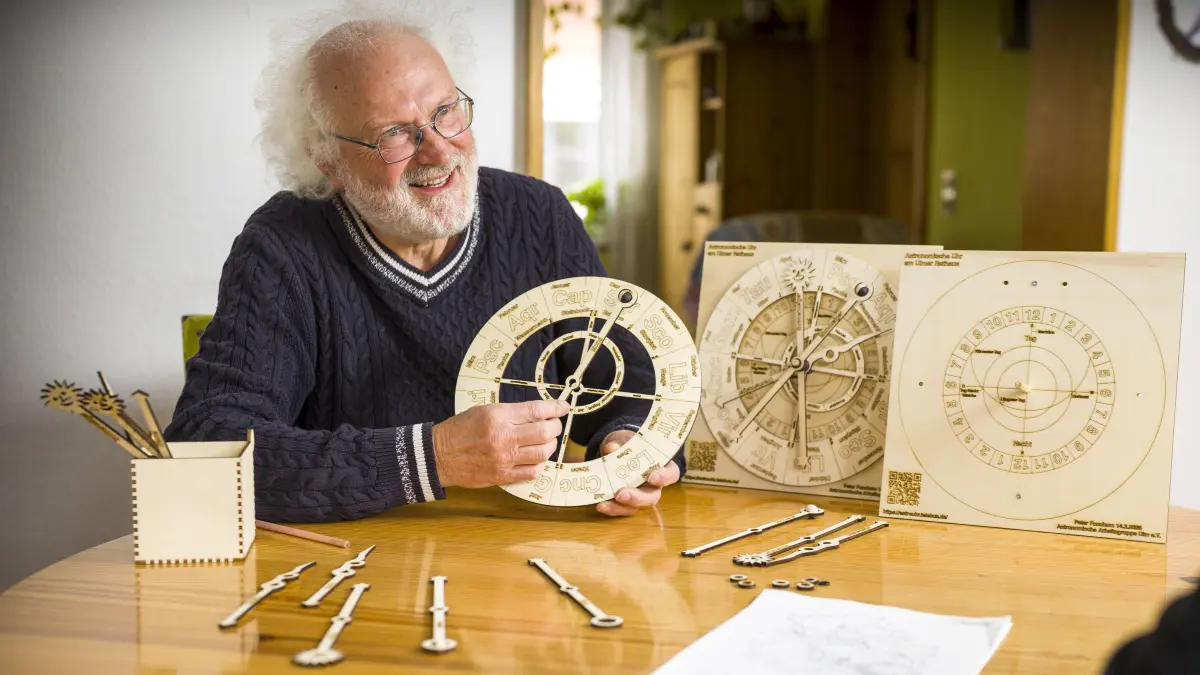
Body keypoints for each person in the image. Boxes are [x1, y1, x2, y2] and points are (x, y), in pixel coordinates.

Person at [163, 3, 684, 522]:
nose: (437, 151)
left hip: (524, 540)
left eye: (445, 112)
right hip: (362, 553)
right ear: (328, 162)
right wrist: (433, 457)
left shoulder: (538, 213)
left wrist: (631, 443)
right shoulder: (282, 246)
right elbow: (207, 448)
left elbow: (633, 382)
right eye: (393, 132)